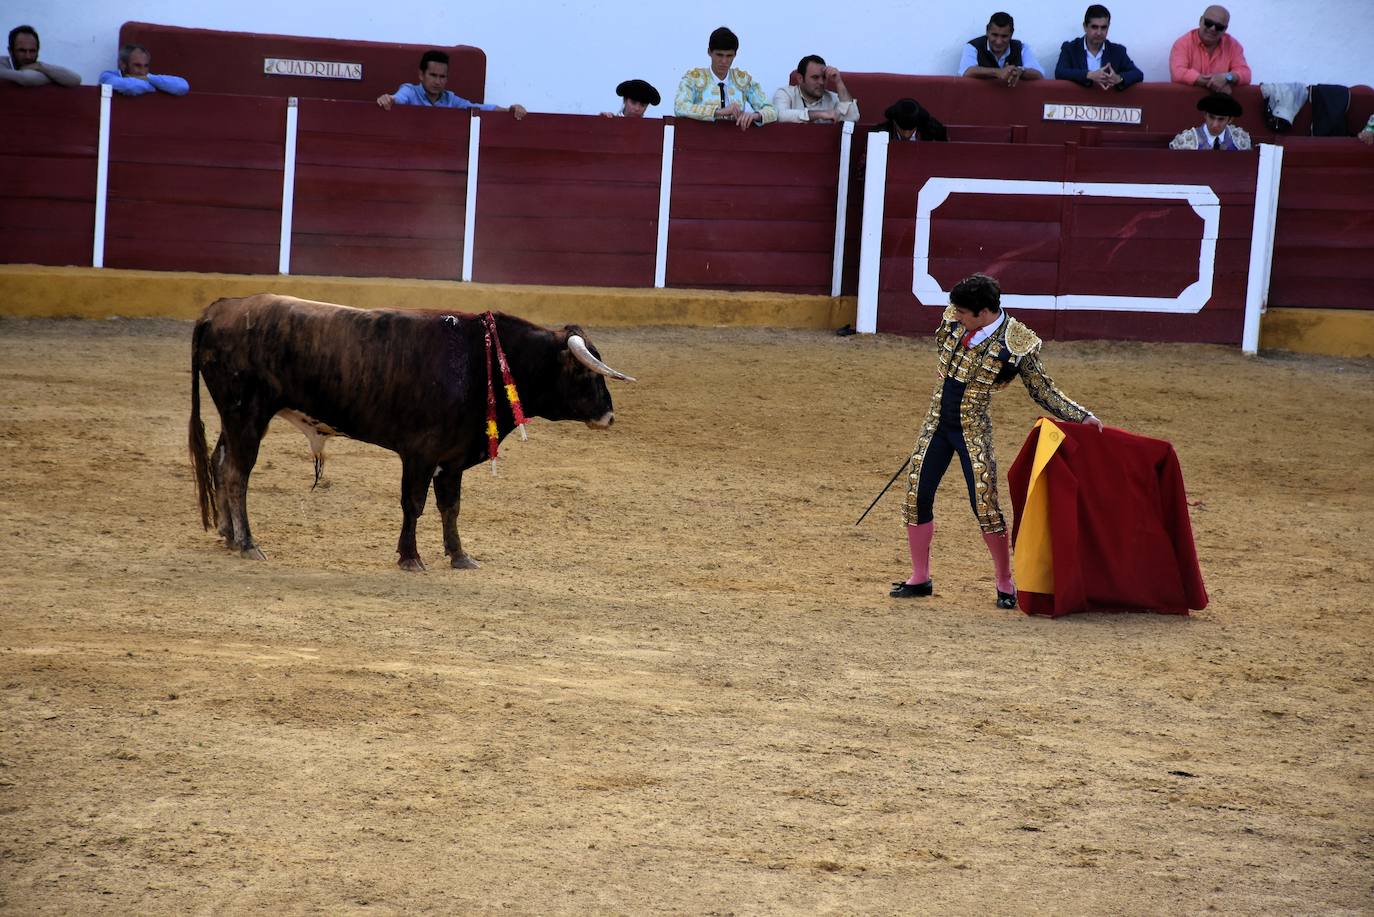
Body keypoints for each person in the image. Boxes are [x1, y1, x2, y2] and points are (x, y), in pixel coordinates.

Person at [890, 273, 1102, 608]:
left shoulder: (1017, 343)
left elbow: (1042, 389)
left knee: (985, 506)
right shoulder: (953, 319)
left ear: (984, 312)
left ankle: (1005, 582)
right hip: (936, 426)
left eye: (962, 312)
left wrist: (1080, 415)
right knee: (916, 496)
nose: (954, 315)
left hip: (972, 430)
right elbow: (944, 355)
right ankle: (920, 578)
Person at [674, 26, 777, 131]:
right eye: (719, 55)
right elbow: (680, 107)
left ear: (735, 55)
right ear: (709, 52)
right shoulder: (693, 78)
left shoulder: (743, 80)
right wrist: (717, 111)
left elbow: (772, 110)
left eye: (729, 56)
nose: (724, 61)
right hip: (701, 140)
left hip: (736, 142)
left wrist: (756, 115)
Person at [377, 50, 526, 118]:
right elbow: (398, 98)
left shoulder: (450, 99)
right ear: (421, 75)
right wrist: (388, 99)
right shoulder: (410, 91)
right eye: (433, 75)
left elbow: (479, 108)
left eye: (442, 77)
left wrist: (508, 110)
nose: (437, 81)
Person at [1054, 5, 1143, 91]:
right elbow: (1060, 72)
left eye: (1103, 27)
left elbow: (1138, 74)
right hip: (1077, 102)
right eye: (1094, 27)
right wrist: (1089, 75)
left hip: (1107, 103)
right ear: (1085, 27)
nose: (1099, 32)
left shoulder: (1117, 51)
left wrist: (1119, 78)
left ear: (1108, 27)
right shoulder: (1070, 48)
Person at [1169, 5, 1250, 94]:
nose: (1212, 29)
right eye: (1208, 23)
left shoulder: (1233, 46)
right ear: (1200, 20)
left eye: (1219, 26)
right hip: (1187, 101)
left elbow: (1246, 74)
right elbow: (1178, 73)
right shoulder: (1182, 43)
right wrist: (1214, 83)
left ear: (1225, 29)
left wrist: (1227, 77)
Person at [959, 12, 1043, 86]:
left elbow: (1039, 75)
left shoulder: (1021, 48)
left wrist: (1020, 71)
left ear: (1011, 34)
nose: (998, 41)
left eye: (1004, 36)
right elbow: (967, 72)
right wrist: (998, 72)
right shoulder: (973, 46)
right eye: (994, 35)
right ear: (987, 31)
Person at [772, 55, 859, 124]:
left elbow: (852, 117)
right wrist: (820, 114)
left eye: (824, 77)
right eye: (815, 77)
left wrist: (838, 81)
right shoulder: (785, 93)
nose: (821, 82)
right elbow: (779, 115)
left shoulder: (833, 98)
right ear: (800, 79)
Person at [1, 25, 80, 87]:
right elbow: (26, 79)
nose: (28, 56)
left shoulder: (37, 67)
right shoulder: (2, 64)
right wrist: (53, 78)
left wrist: (40, 66)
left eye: (32, 51)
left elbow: (76, 80)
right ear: (10, 51)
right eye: (22, 51)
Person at [1168, 92, 1252, 150]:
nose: (1215, 124)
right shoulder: (1186, 141)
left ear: (1230, 120)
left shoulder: (1240, 140)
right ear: (1205, 115)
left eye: (1221, 119)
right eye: (1211, 117)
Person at [98, 44, 189, 96]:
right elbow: (131, 87)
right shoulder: (107, 76)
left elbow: (183, 86)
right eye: (137, 65)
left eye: (146, 66)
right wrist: (154, 86)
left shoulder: (149, 78)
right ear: (123, 65)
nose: (142, 71)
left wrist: (149, 78)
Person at [872, 98, 947, 142]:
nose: (906, 134)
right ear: (894, 122)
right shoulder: (879, 134)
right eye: (902, 129)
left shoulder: (934, 132)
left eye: (911, 129)